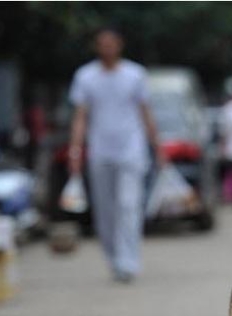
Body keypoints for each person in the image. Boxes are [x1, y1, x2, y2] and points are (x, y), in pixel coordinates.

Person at [68, 27, 165, 283]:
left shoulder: (135, 74)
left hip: (131, 150)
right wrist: (75, 150)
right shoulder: (85, 76)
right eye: (102, 44)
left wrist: (158, 147)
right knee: (106, 211)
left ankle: (128, 261)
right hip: (100, 152)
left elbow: (146, 112)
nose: (107, 48)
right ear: (97, 47)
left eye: (111, 43)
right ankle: (113, 259)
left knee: (128, 205)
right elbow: (80, 117)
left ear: (119, 45)